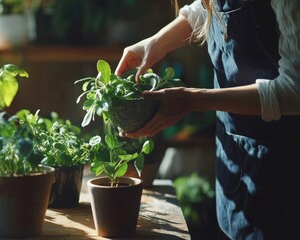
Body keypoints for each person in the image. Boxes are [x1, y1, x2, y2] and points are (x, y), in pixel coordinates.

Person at [115, 0, 300, 239]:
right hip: (234, 155)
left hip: (281, 167)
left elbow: (295, 89)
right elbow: (212, 9)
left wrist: (193, 100)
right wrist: (157, 43)